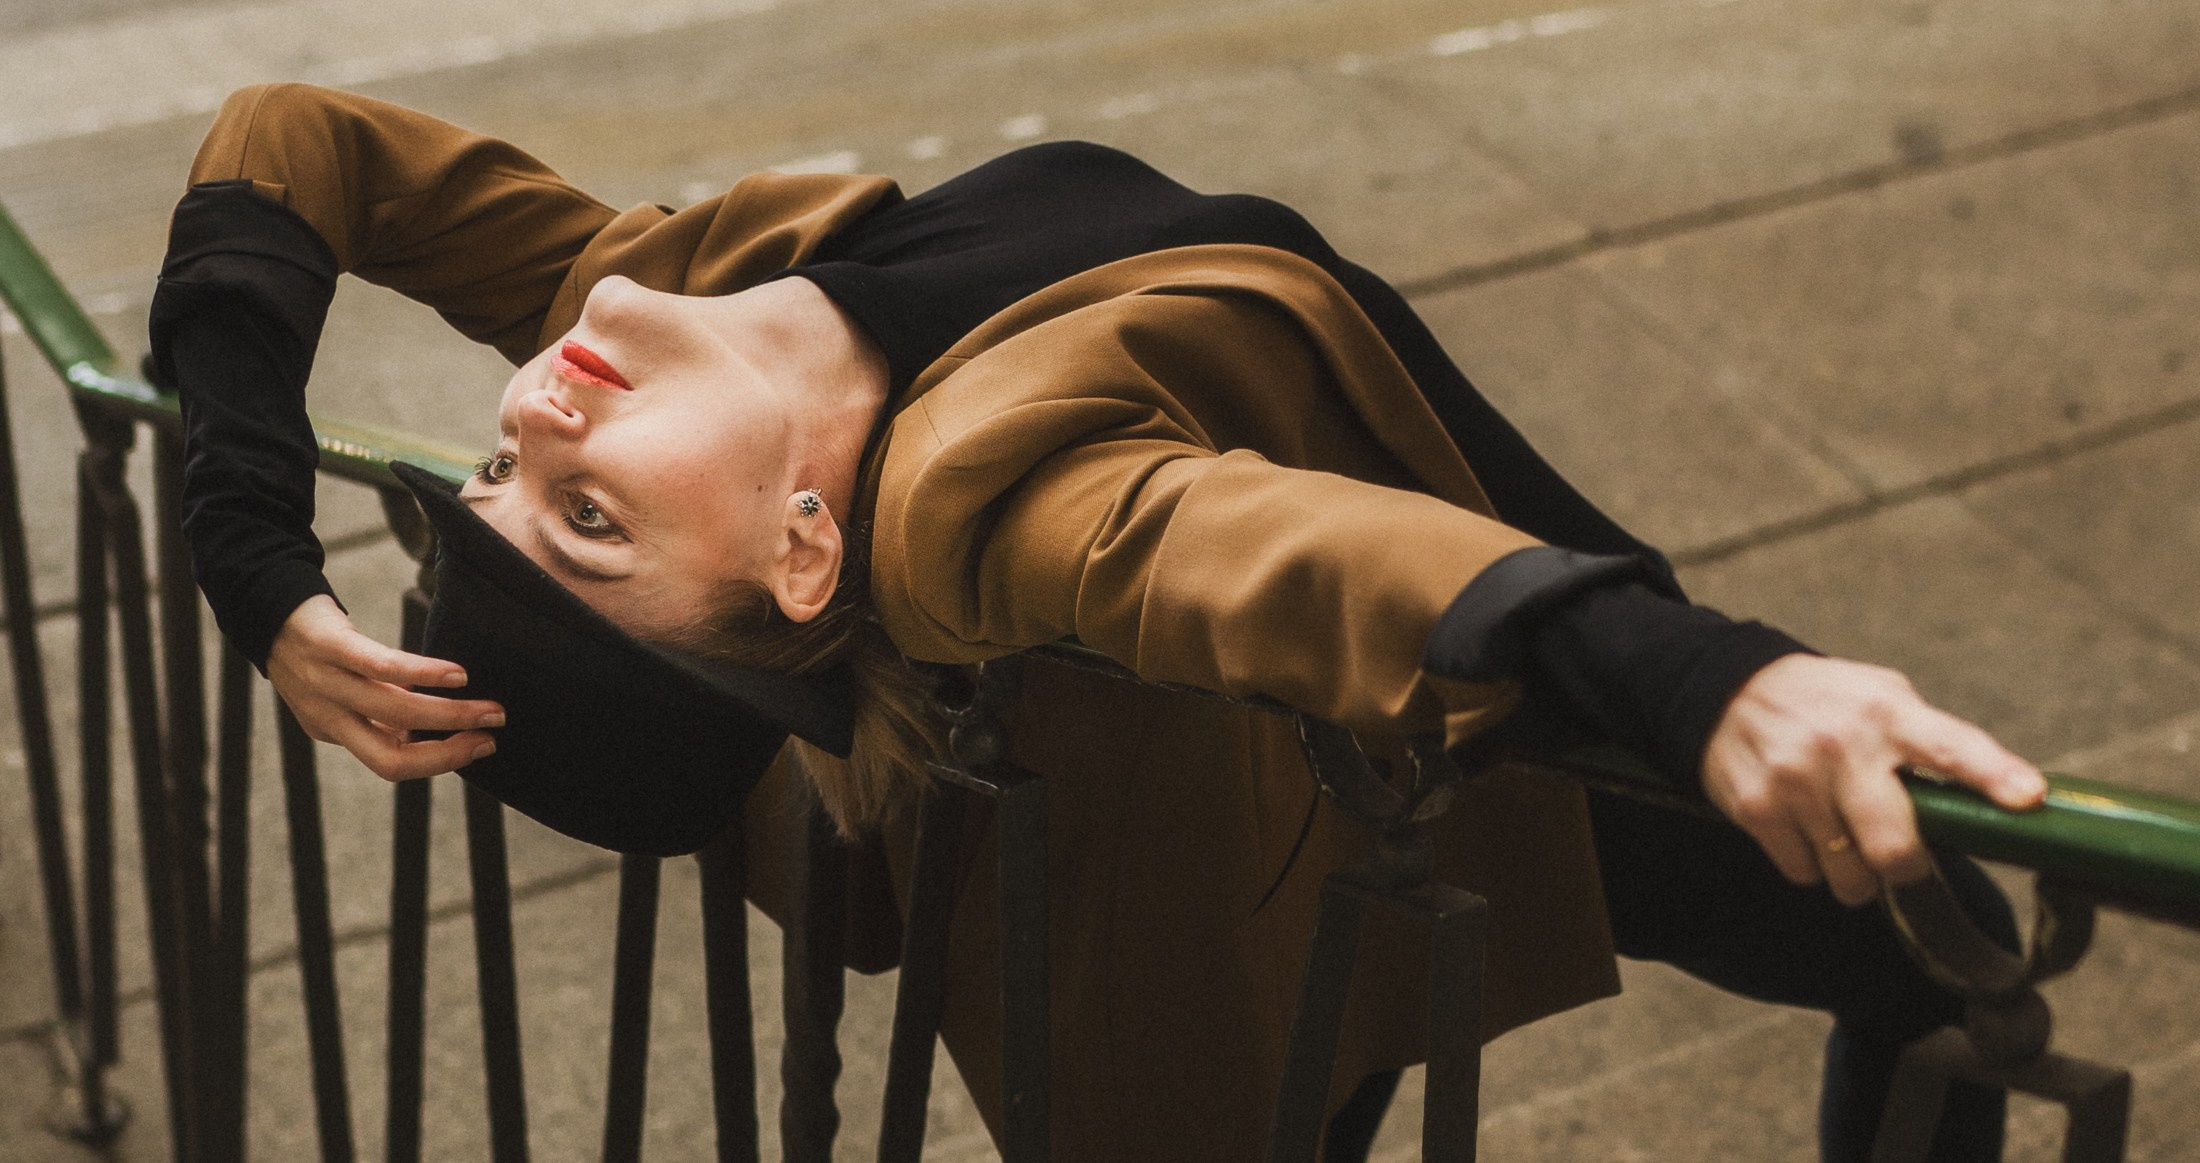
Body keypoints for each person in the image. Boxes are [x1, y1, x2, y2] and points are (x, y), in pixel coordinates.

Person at [150, 82, 2046, 1163]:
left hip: (1301, 758)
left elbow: (296, 141)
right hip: (1459, 719)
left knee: (1907, 944)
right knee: (1914, 925)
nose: (534, 420)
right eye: (590, 518)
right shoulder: (978, 505)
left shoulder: (696, 286)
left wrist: (254, 557)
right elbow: (1298, 557)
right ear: (807, 552)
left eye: (501, 475)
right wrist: (1716, 685)